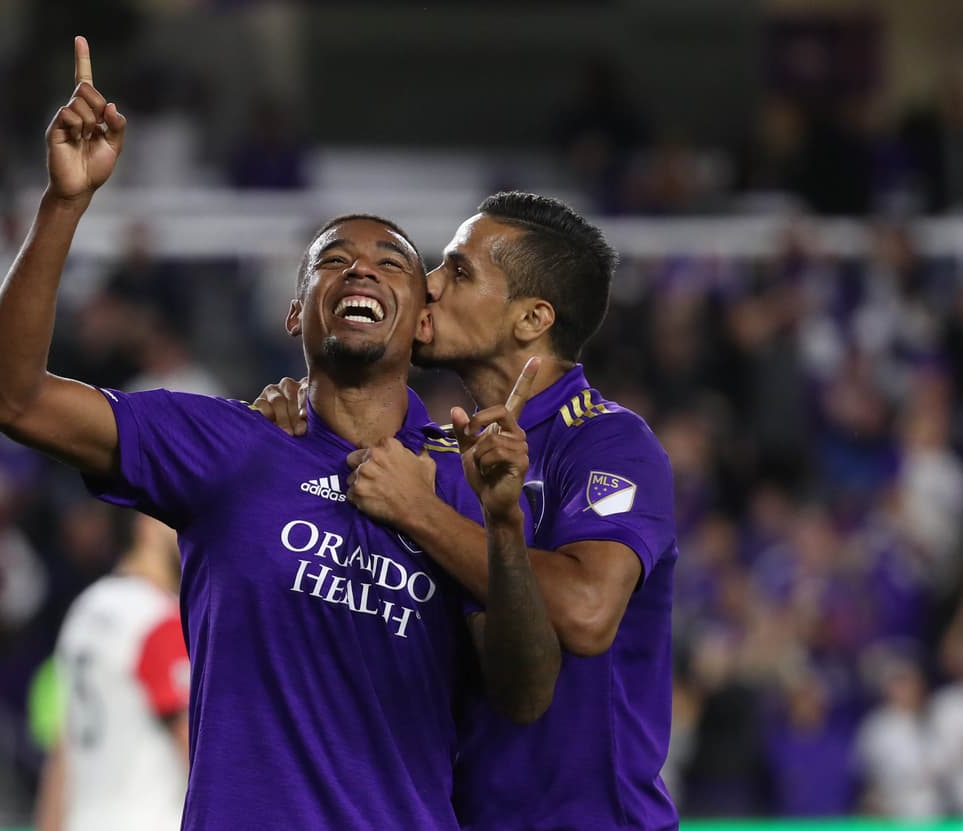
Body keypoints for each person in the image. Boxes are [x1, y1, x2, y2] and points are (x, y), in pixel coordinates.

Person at [0, 37, 559, 831]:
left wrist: (499, 528)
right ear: (295, 313)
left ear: (422, 321)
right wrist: (64, 203)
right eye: (332, 259)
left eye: (391, 261)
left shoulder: (467, 482)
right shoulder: (227, 445)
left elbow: (525, 692)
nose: (360, 269)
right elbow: (8, 397)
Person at [255, 191, 679, 829]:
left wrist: (421, 513)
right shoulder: (436, 451)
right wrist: (294, 419)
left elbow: (589, 614)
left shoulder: (605, 441)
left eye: (458, 272)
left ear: (531, 319)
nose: (427, 287)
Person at [33, 514, 190, 831]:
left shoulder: (85, 608)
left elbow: (63, 747)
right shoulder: (160, 620)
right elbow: (194, 751)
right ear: (147, 525)